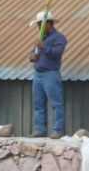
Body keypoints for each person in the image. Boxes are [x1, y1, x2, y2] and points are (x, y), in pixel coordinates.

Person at [29, 11, 67, 139]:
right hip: (38, 73)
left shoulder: (59, 38)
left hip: (51, 74)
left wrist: (43, 47)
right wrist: (32, 56)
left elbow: (56, 53)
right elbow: (33, 54)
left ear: (48, 24)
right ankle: (40, 129)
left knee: (56, 103)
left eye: (40, 24)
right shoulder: (41, 38)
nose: (38, 27)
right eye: (38, 25)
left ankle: (58, 130)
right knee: (38, 104)